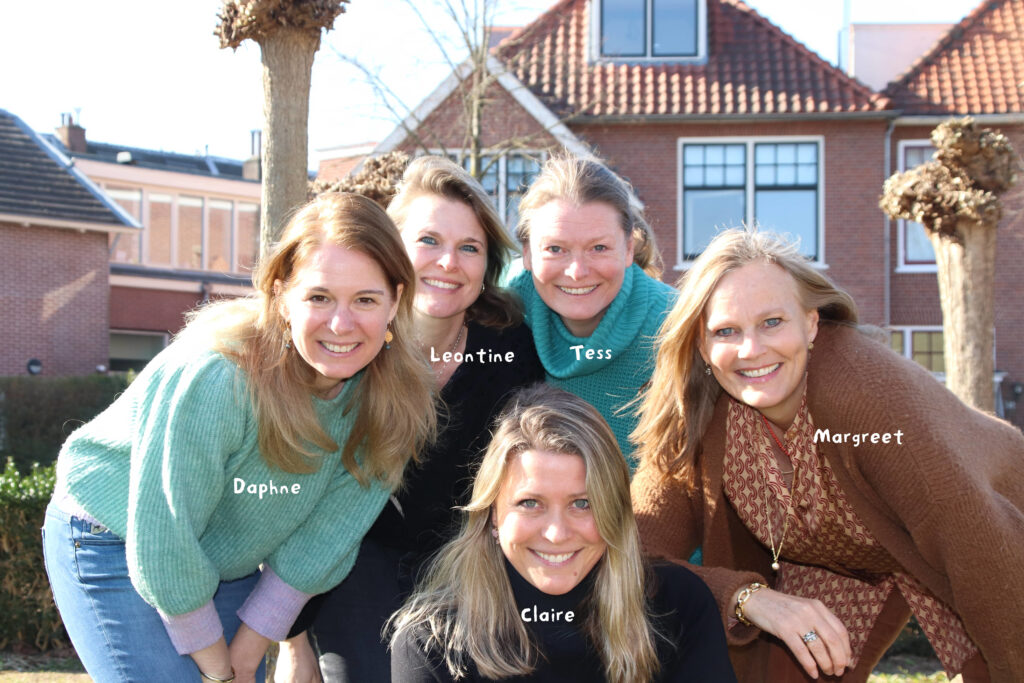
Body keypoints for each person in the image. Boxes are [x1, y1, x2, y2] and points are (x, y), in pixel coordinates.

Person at [41, 193, 436, 683]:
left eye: (366, 300)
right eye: (318, 297)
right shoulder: (218, 378)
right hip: (114, 536)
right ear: (281, 297)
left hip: (226, 556)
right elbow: (165, 539)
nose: (341, 324)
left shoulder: (397, 398)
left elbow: (324, 540)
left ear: (396, 301)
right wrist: (220, 673)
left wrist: (246, 658)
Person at [630, 227, 1024, 682]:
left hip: (991, 540)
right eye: (726, 331)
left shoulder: (868, 396)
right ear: (702, 345)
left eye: (772, 322)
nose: (751, 350)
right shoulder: (696, 411)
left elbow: (984, 556)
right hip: (836, 564)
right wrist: (746, 597)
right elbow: (635, 558)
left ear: (812, 322)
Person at [276, 157, 544, 682]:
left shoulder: (510, 350)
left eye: (469, 248)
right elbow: (288, 495)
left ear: (487, 266)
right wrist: (293, 642)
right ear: (390, 251)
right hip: (354, 564)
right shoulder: (349, 342)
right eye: (428, 241)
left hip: (465, 569)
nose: (448, 262)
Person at [390, 383, 737, 683]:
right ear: (492, 515)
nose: (556, 533)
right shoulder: (431, 643)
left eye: (582, 504)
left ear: (615, 512)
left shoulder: (678, 607)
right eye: (530, 503)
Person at [506, 154, 675, 467]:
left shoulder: (676, 325)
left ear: (628, 248)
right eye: (555, 249)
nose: (577, 272)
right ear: (527, 254)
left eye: (599, 248)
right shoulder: (505, 308)